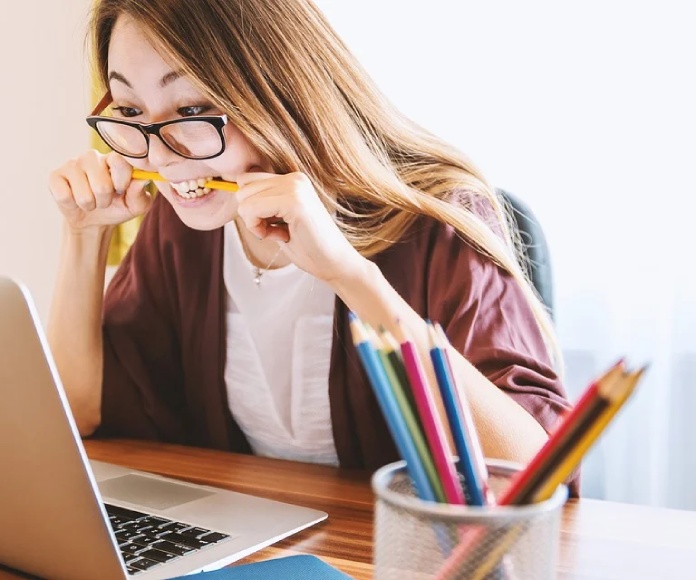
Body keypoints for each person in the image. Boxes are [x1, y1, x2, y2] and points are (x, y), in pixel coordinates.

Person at [47, 0, 577, 493]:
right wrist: (85, 235)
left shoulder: (437, 222)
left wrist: (350, 275)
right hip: (261, 546)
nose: (162, 157)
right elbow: (77, 412)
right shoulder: (182, 227)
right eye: (132, 111)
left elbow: (533, 473)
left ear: (279, 91)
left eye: (191, 109)